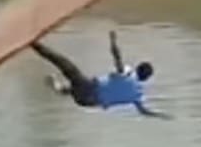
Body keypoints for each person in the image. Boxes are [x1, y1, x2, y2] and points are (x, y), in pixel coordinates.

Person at [31, 31, 171, 119]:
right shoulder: (138, 95)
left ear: (138, 68)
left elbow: (117, 58)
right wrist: (160, 116)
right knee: (76, 87)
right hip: (88, 103)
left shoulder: (127, 74)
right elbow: (144, 112)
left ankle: (35, 45)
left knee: (66, 65)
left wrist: (113, 41)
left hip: (89, 89)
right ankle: (57, 87)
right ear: (146, 79)